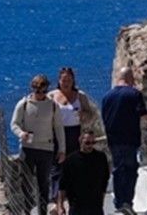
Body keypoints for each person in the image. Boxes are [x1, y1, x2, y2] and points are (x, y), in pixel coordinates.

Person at [47, 68, 107, 206]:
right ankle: (57, 201)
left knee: (73, 165)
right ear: (59, 81)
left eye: (69, 80)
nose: (66, 83)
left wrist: (84, 115)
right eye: (63, 80)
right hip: (57, 134)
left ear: (73, 80)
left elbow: (91, 114)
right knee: (57, 167)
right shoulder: (52, 96)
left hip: (75, 133)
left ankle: (71, 196)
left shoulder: (80, 96)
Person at [11, 74, 64, 215]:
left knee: (43, 184)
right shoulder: (23, 104)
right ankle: (26, 211)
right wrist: (21, 133)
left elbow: (58, 127)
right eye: (37, 90)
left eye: (43, 90)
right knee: (26, 183)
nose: (40, 94)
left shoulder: (53, 106)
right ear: (32, 88)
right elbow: (14, 124)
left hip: (46, 148)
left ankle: (42, 212)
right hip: (28, 148)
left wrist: (62, 149)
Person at [101, 67, 147, 215]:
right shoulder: (134, 94)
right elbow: (144, 115)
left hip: (113, 139)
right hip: (129, 138)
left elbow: (104, 117)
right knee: (130, 171)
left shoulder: (107, 96)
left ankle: (119, 203)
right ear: (130, 79)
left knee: (117, 170)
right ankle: (126, 202)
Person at [58, 130, 111, 215]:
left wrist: (102, 200)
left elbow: (105, 180)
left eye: (93, 143)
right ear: (80, 141)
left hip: (95, 207)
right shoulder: (70, 160)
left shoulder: (101, 158)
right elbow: (62, 185)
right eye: (87, 143)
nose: (90, 145)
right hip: (77, 207)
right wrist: (60, 206)